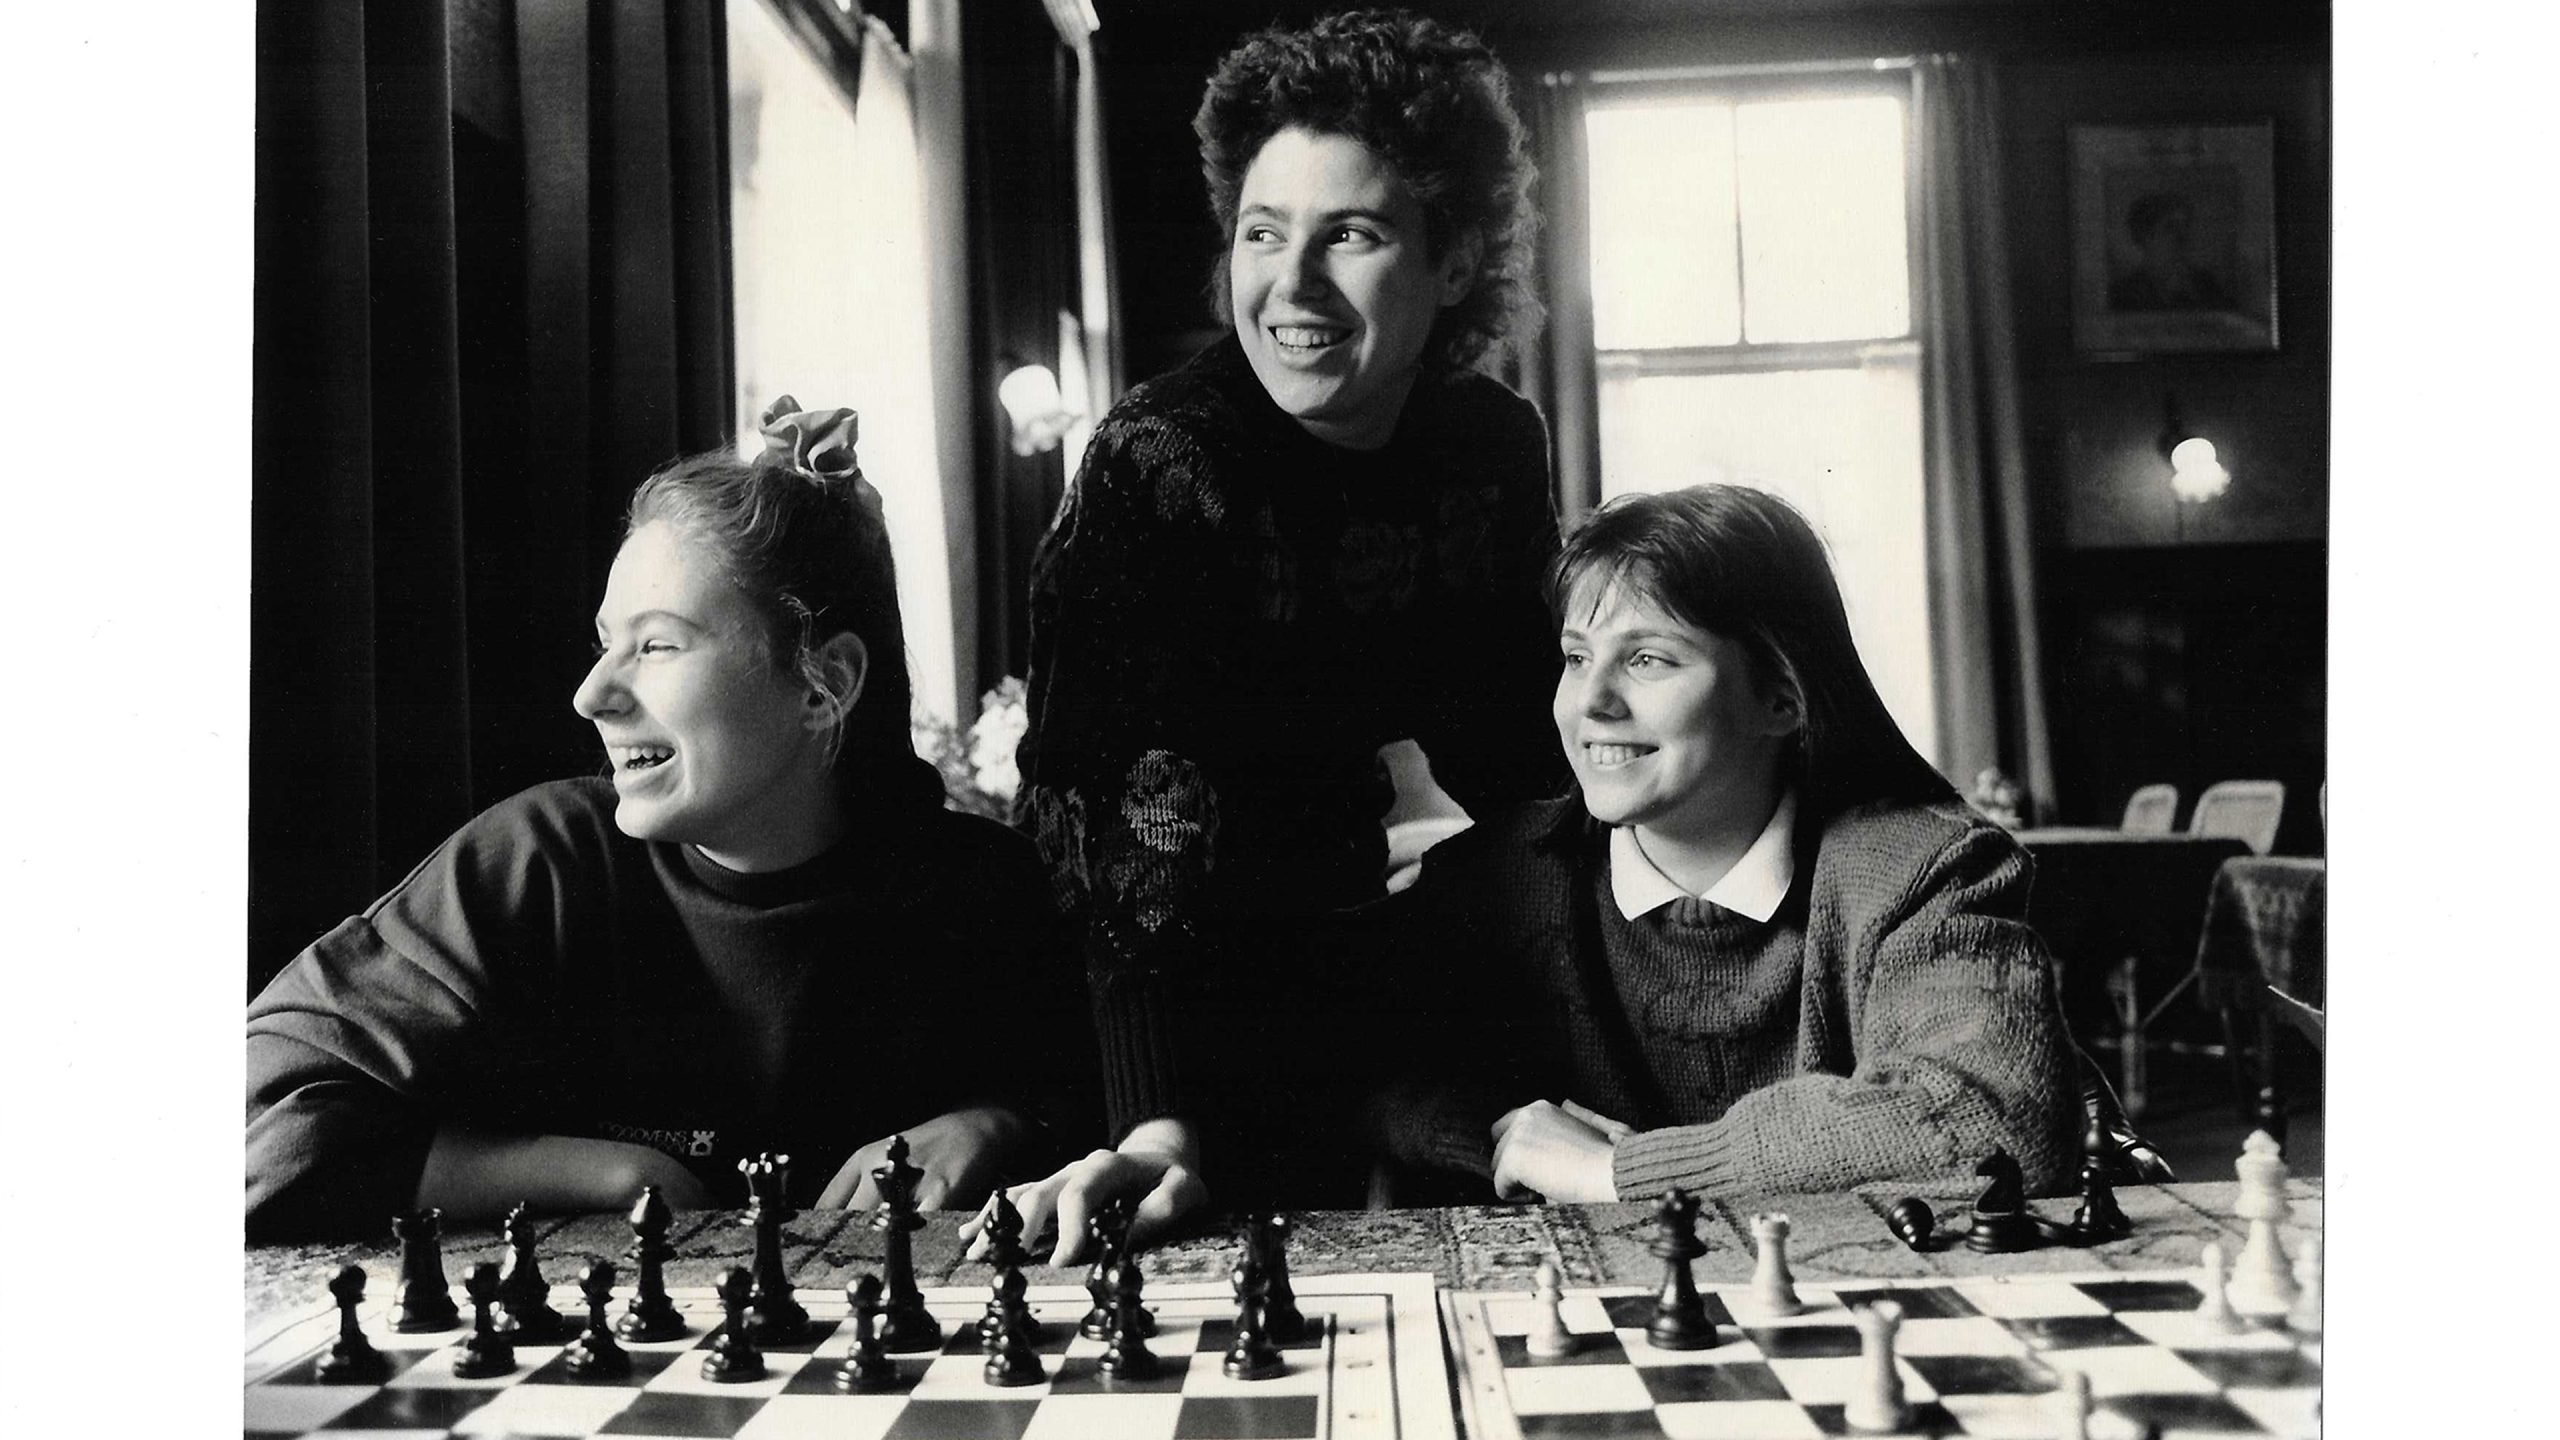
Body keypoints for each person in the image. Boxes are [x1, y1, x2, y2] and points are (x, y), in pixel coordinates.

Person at [990, 9, 1567, 1260]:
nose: (1290, 288)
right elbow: (1129, 812)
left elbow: (1519, 752)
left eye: (1348, 234)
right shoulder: (1163, 460)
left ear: (1455, 257)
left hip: (1344, 957)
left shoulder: (1487, 445)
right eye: (1262, 234)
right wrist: (1155, 1122)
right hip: (1115, 1005)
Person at [246, 400, 1092, 1242]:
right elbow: (256, 1128)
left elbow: (1135, 1115)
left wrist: (1002, 1124)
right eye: (605, 643)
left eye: (656, 647)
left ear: (821, 683)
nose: (592, 697)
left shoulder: (984, 892)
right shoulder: (537, 865)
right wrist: (597, 1170)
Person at [1359, 485, 2082, 1202]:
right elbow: (1360, 1065)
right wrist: (1500, 1141)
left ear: (1781, 699)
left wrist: (1621, 1172)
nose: (1592, 703)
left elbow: (1999, 1121)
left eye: (1648, 660)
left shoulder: (1926, 872)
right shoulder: (1491, 877)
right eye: (1577, 658)